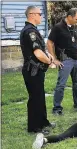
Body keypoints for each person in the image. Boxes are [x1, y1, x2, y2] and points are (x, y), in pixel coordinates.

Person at [20, 6, 55, 135]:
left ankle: (43, 121)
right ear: (32, 14)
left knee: (40, 96)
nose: (42, 16)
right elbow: (38, 54)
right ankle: (34, 127)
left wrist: (49, 55)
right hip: (32, 70)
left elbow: (41, 49)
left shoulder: (33, 30)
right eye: (40, 14)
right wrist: (50, 61)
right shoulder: (30, 32)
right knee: (35, 98)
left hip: (36, 70)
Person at [47, 8, 77, 115]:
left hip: (76, 59)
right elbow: (49, 43)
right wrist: (54, 59)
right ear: (69, 17)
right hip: (65, 60)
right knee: (61, 85)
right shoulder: (58, 28)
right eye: (76, 19)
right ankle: (57, 108)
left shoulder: (75, 27)